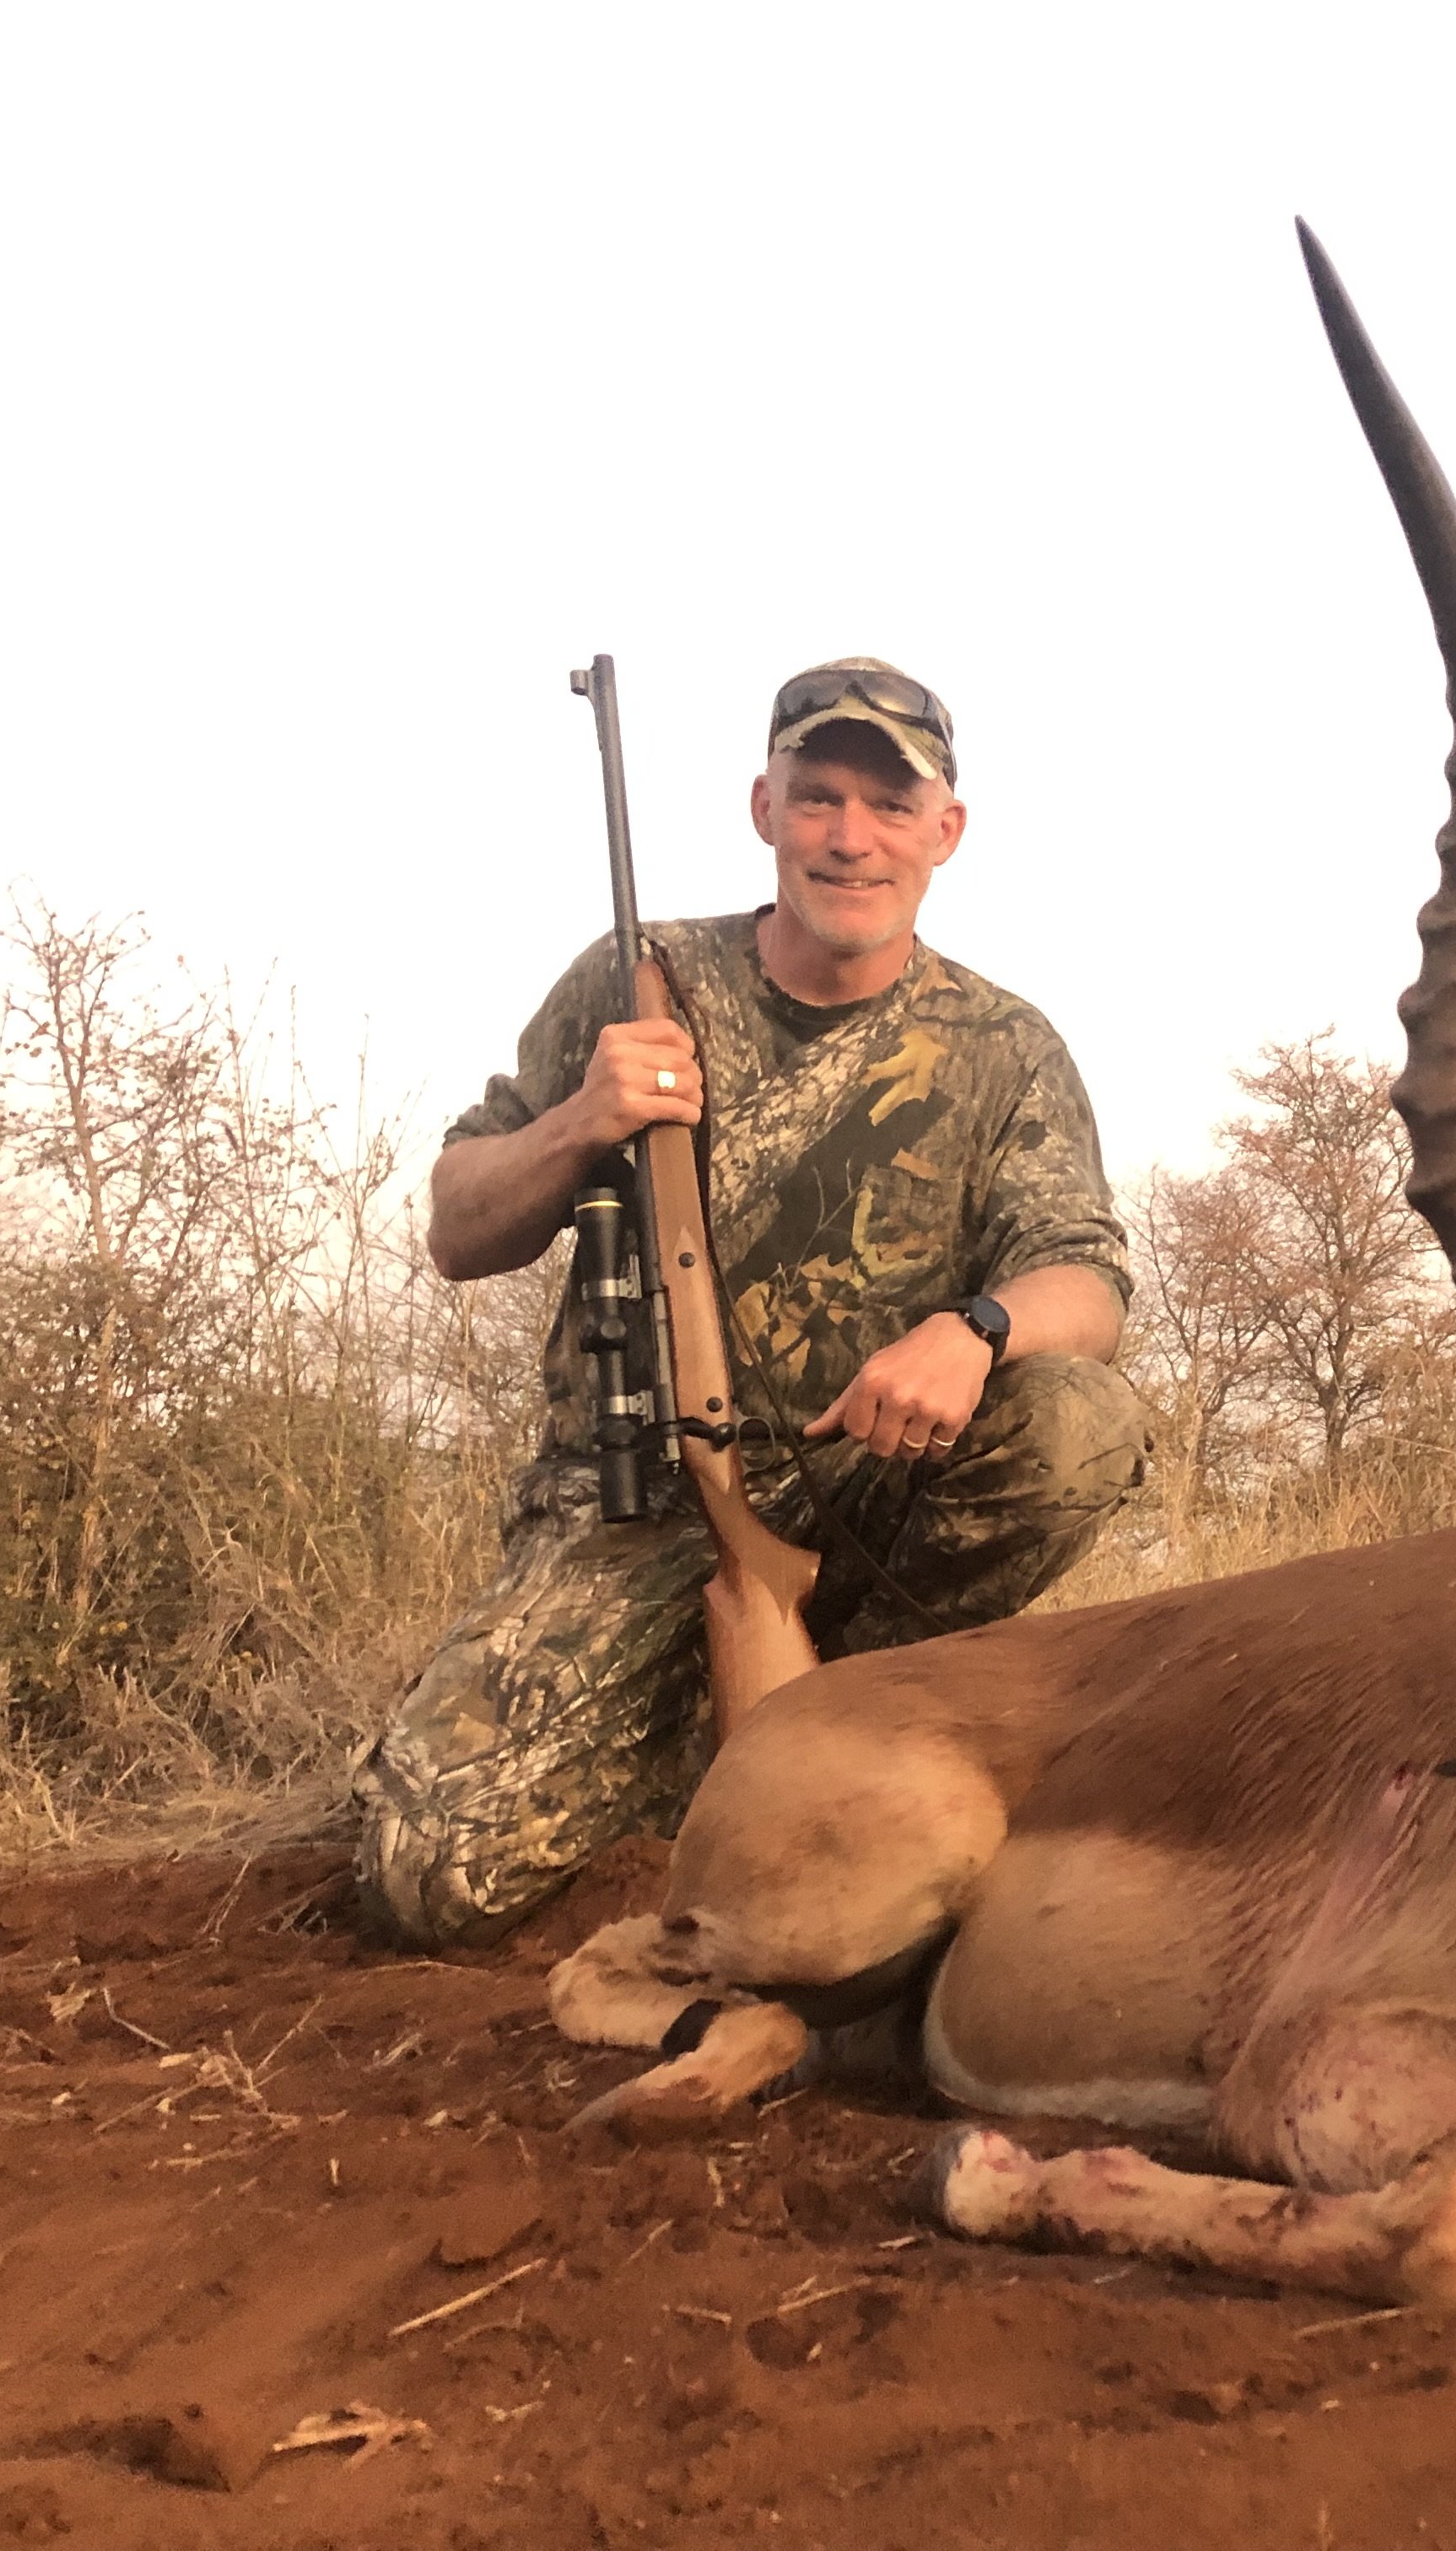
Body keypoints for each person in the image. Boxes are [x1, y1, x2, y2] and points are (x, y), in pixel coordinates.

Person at [353, 658, 1150, 1946]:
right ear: (763, 807)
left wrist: (975, 1330)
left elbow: (1088, 1283)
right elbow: (457, 1227)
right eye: (819, 796)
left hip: (869, 1489)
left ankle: (854, 1706)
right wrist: (579, 1123)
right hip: (635, 1506)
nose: (850, 838)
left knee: (1076, 1421)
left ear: (945, 833)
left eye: (891, 807)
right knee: (422, 1874)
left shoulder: (1008, 1047)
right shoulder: (636, 980)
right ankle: (693, 1733)